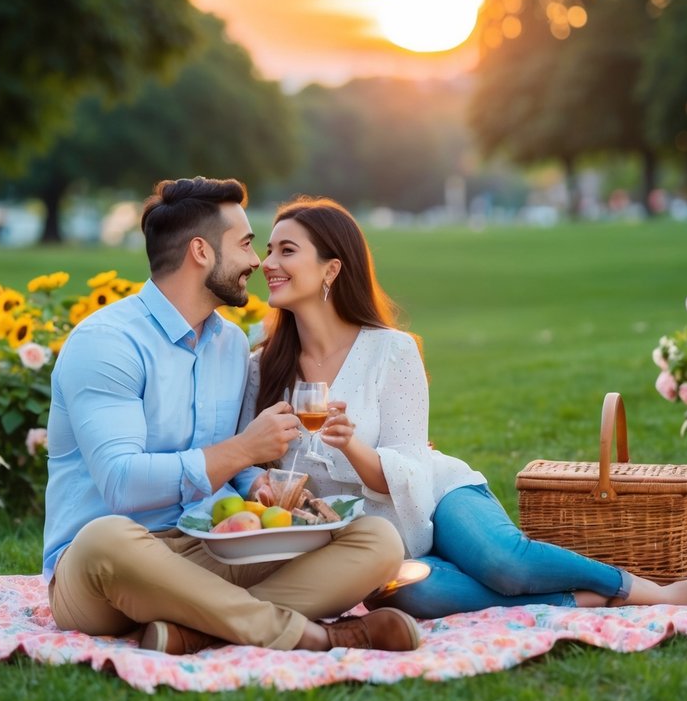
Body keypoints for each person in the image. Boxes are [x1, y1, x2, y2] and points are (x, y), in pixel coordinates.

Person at [241, 196, 687, 616]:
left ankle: (648, 592)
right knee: (410, 597)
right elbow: (247, 465)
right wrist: (261, 484)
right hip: (366, 541)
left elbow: (410, 460)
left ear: (332, 268)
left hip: (433, 494)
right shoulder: (263, 368)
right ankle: (578, 603)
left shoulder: (392, 351)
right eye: (268, 250)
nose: (269, 263)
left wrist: (351, 447)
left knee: (504, 564)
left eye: (287, 250)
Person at [42, 176, 421, 657]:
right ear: (201, 252)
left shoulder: (229, 344)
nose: (256, 263)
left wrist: (253, 483)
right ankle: (315, 636)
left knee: (376, 538)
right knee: (104, 538)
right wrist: (245, 449)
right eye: (245, 244)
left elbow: (227, 465)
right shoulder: (107, 343)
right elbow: (121, 484)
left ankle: (195, 632)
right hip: (111, 570)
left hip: (210, 548)